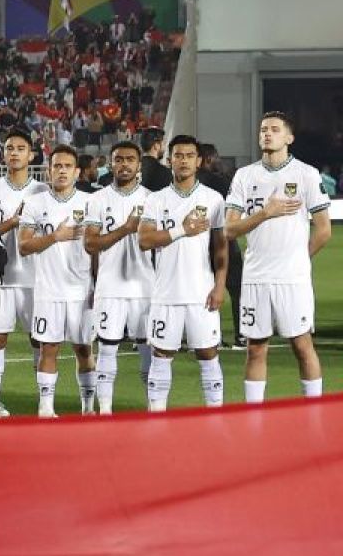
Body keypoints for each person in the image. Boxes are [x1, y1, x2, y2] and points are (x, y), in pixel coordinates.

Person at [224, 111, 332, 403]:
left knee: (302, 344)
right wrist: (264, 213)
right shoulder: (245, 176)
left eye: (274, 129)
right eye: (263, 130)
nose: (267, 134)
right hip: (256, 277)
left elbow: (323, 230)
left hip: (292, 279)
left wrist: (299, 258)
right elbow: (230, 229)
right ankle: (253, 416)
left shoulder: (306, 174)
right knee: (255, 348)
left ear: (289, 138)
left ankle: (314, 410)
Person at [138, 134, 227, 411]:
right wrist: (181, 230)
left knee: (208, 353)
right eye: (178, 155)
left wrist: (220, 285)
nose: (184, 160)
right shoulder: (155, 200)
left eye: (189, 155)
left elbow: (220, 247)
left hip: (201, 291)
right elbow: (144, 241)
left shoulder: (213, 199)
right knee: (161, 355)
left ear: (199, 161)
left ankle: (216, 413)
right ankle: (157, 414)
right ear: (169, 160)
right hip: (166, 292)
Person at [18, 144, 97, 418]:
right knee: (48, 348)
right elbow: (24, 247)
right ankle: (46, 408)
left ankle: (87, 408)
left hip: (82, 291)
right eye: (56, 166)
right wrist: (55, 237)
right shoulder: (35, 203)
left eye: (67, 166)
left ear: (77, 172)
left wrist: (97, 287)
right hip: (48, 291)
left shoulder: (90, 203)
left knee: (84, 348)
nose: (61, 171)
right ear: (48, 171)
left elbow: (97, 250)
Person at [0, 128, 48, 419]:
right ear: (3, 154)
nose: (15, 152)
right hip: (2, 277)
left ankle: (45, 402)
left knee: (40, 340)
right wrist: (13, 221)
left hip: (37, 279)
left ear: (31, 155)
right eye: (9, 148)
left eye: (21, 148)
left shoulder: (43, 191)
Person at [82, 141, 154, 414]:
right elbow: (91, 245)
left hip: (145, 287)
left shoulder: (152, 199)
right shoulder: (98, 200)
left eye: (130, 160)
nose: (124, 164)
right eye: (119, 159)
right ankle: (106, 411)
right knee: (107, 349)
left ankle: (154, 409)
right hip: (109, 287)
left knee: (149, 351)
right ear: (110, 164)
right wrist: (125, 229)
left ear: (139, 165)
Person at [198, 142, 243, 346]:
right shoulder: (221, 182)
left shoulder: (188, 183)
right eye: (215, 158)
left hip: (196, 243)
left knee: (200, 289)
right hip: (224, 241)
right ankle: (242, 334)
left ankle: (206, 336)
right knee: (237, 289)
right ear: (209, 159)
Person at [139, 127, 172, 192]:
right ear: (156, 145)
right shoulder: (164, 172)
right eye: (164, 143)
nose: (165, 147)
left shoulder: (133, 169)